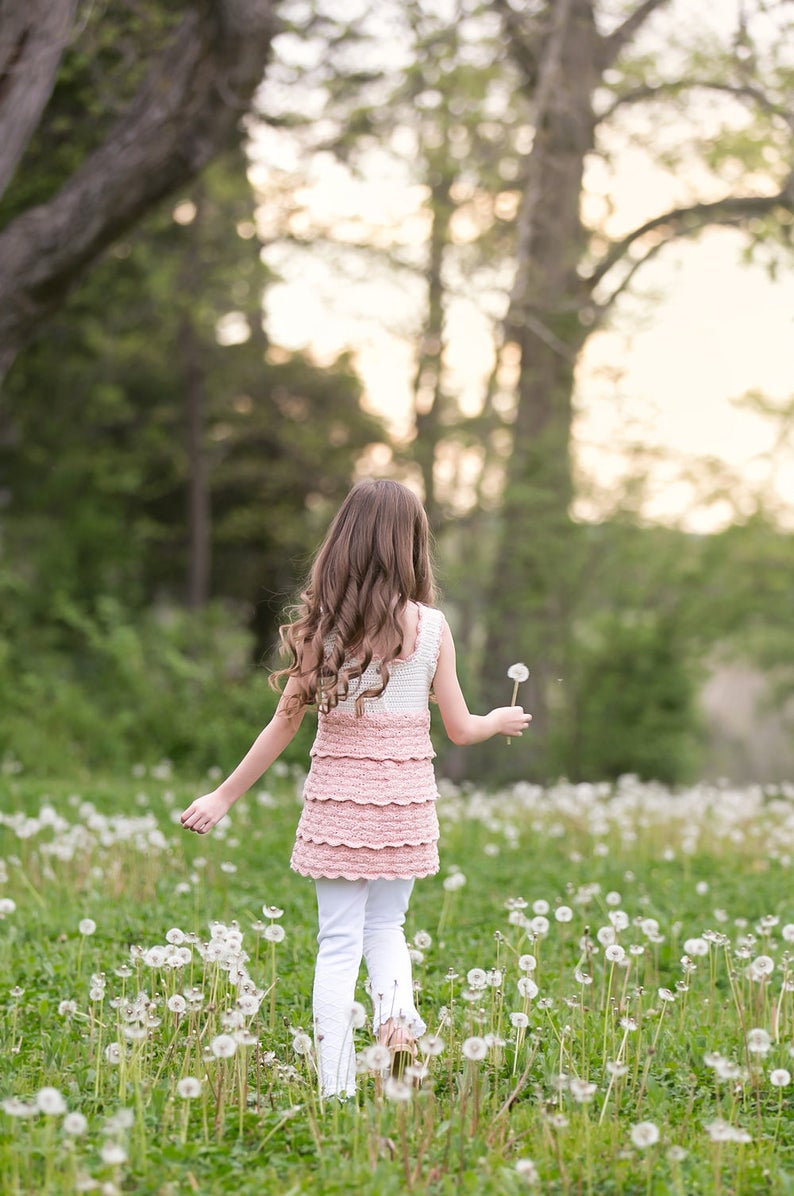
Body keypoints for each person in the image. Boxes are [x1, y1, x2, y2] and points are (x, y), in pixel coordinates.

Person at [180, 479, 531, 1099]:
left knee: (338, 942)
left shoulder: (324, 628)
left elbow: (283, 724)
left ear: (343, 543)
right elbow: (460, 727)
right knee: (388, 930)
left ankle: (336, 1088)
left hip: (341, 808)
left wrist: (223, 796)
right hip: (405, 805)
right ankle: (399, 1061)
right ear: (412, 547)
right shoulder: (432, 627)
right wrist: (498, 721)